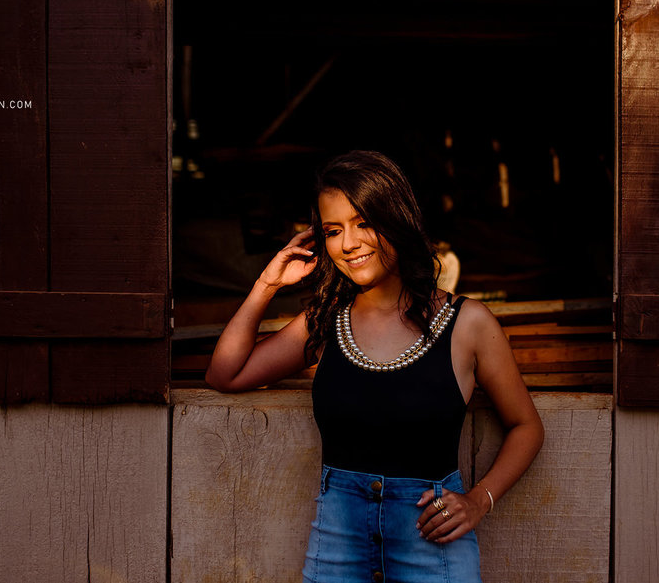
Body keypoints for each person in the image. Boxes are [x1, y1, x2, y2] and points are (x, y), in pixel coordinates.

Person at [206, 150, 544, 583]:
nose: (348, 243)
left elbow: (527, 426)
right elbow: (225, 374)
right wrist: (266, 284)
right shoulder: (326, 321)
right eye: (333, 230)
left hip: (431, 545)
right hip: (337, 548)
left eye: (364, 223)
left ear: (398, 221)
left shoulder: (468, 323)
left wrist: (478, 500)